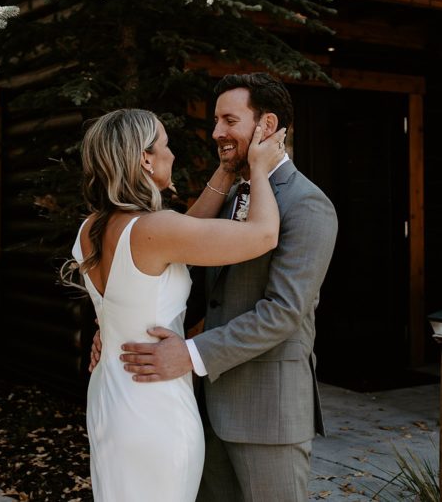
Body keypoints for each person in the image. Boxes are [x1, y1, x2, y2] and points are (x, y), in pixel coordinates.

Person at [118, 74, 339, 502]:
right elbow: (188, 280)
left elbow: (283, 312)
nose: (216, 132)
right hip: (205, 407)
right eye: (215, 120)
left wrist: (190, 353)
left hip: (266, 413)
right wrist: (118, 330)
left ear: (266, 124)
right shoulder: (236, 191)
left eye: (228, 120)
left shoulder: (307, 204)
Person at [71, 107, 288, 502]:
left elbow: (180, 235)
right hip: (154, 407)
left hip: (109, 398)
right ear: (145, 159)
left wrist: (225, 171)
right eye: (166, 145)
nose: (173, 155)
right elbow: (263, 235)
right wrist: (258, 166)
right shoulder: (154, 229)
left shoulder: (92, 226)